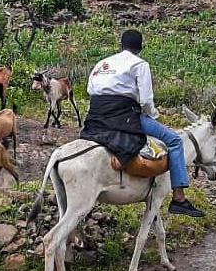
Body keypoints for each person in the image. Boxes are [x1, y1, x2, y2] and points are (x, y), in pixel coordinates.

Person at [82, 29, 205, 217]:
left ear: (121, 45)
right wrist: (153, 117)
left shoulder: (102, 63)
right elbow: (146, 100)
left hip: (96, 117)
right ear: (140, 48)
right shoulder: (139, 64)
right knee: (174, 140)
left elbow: (91, 89)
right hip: (125, 117)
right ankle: (179, 198)